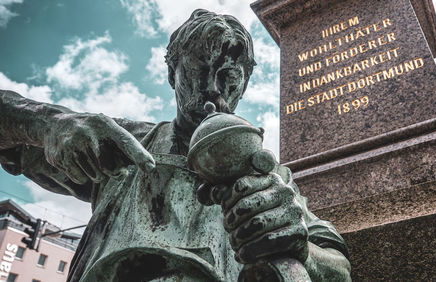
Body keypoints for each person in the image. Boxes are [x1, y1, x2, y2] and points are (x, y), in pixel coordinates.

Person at [0, 9, 351, 281]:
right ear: (172, 74)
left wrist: (300, 247)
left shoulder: (272, 179)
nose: (214, 90)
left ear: (244, 85)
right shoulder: (122, 144)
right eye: (199, 71)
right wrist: (44, 122)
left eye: (229, 77)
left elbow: (339, 269)